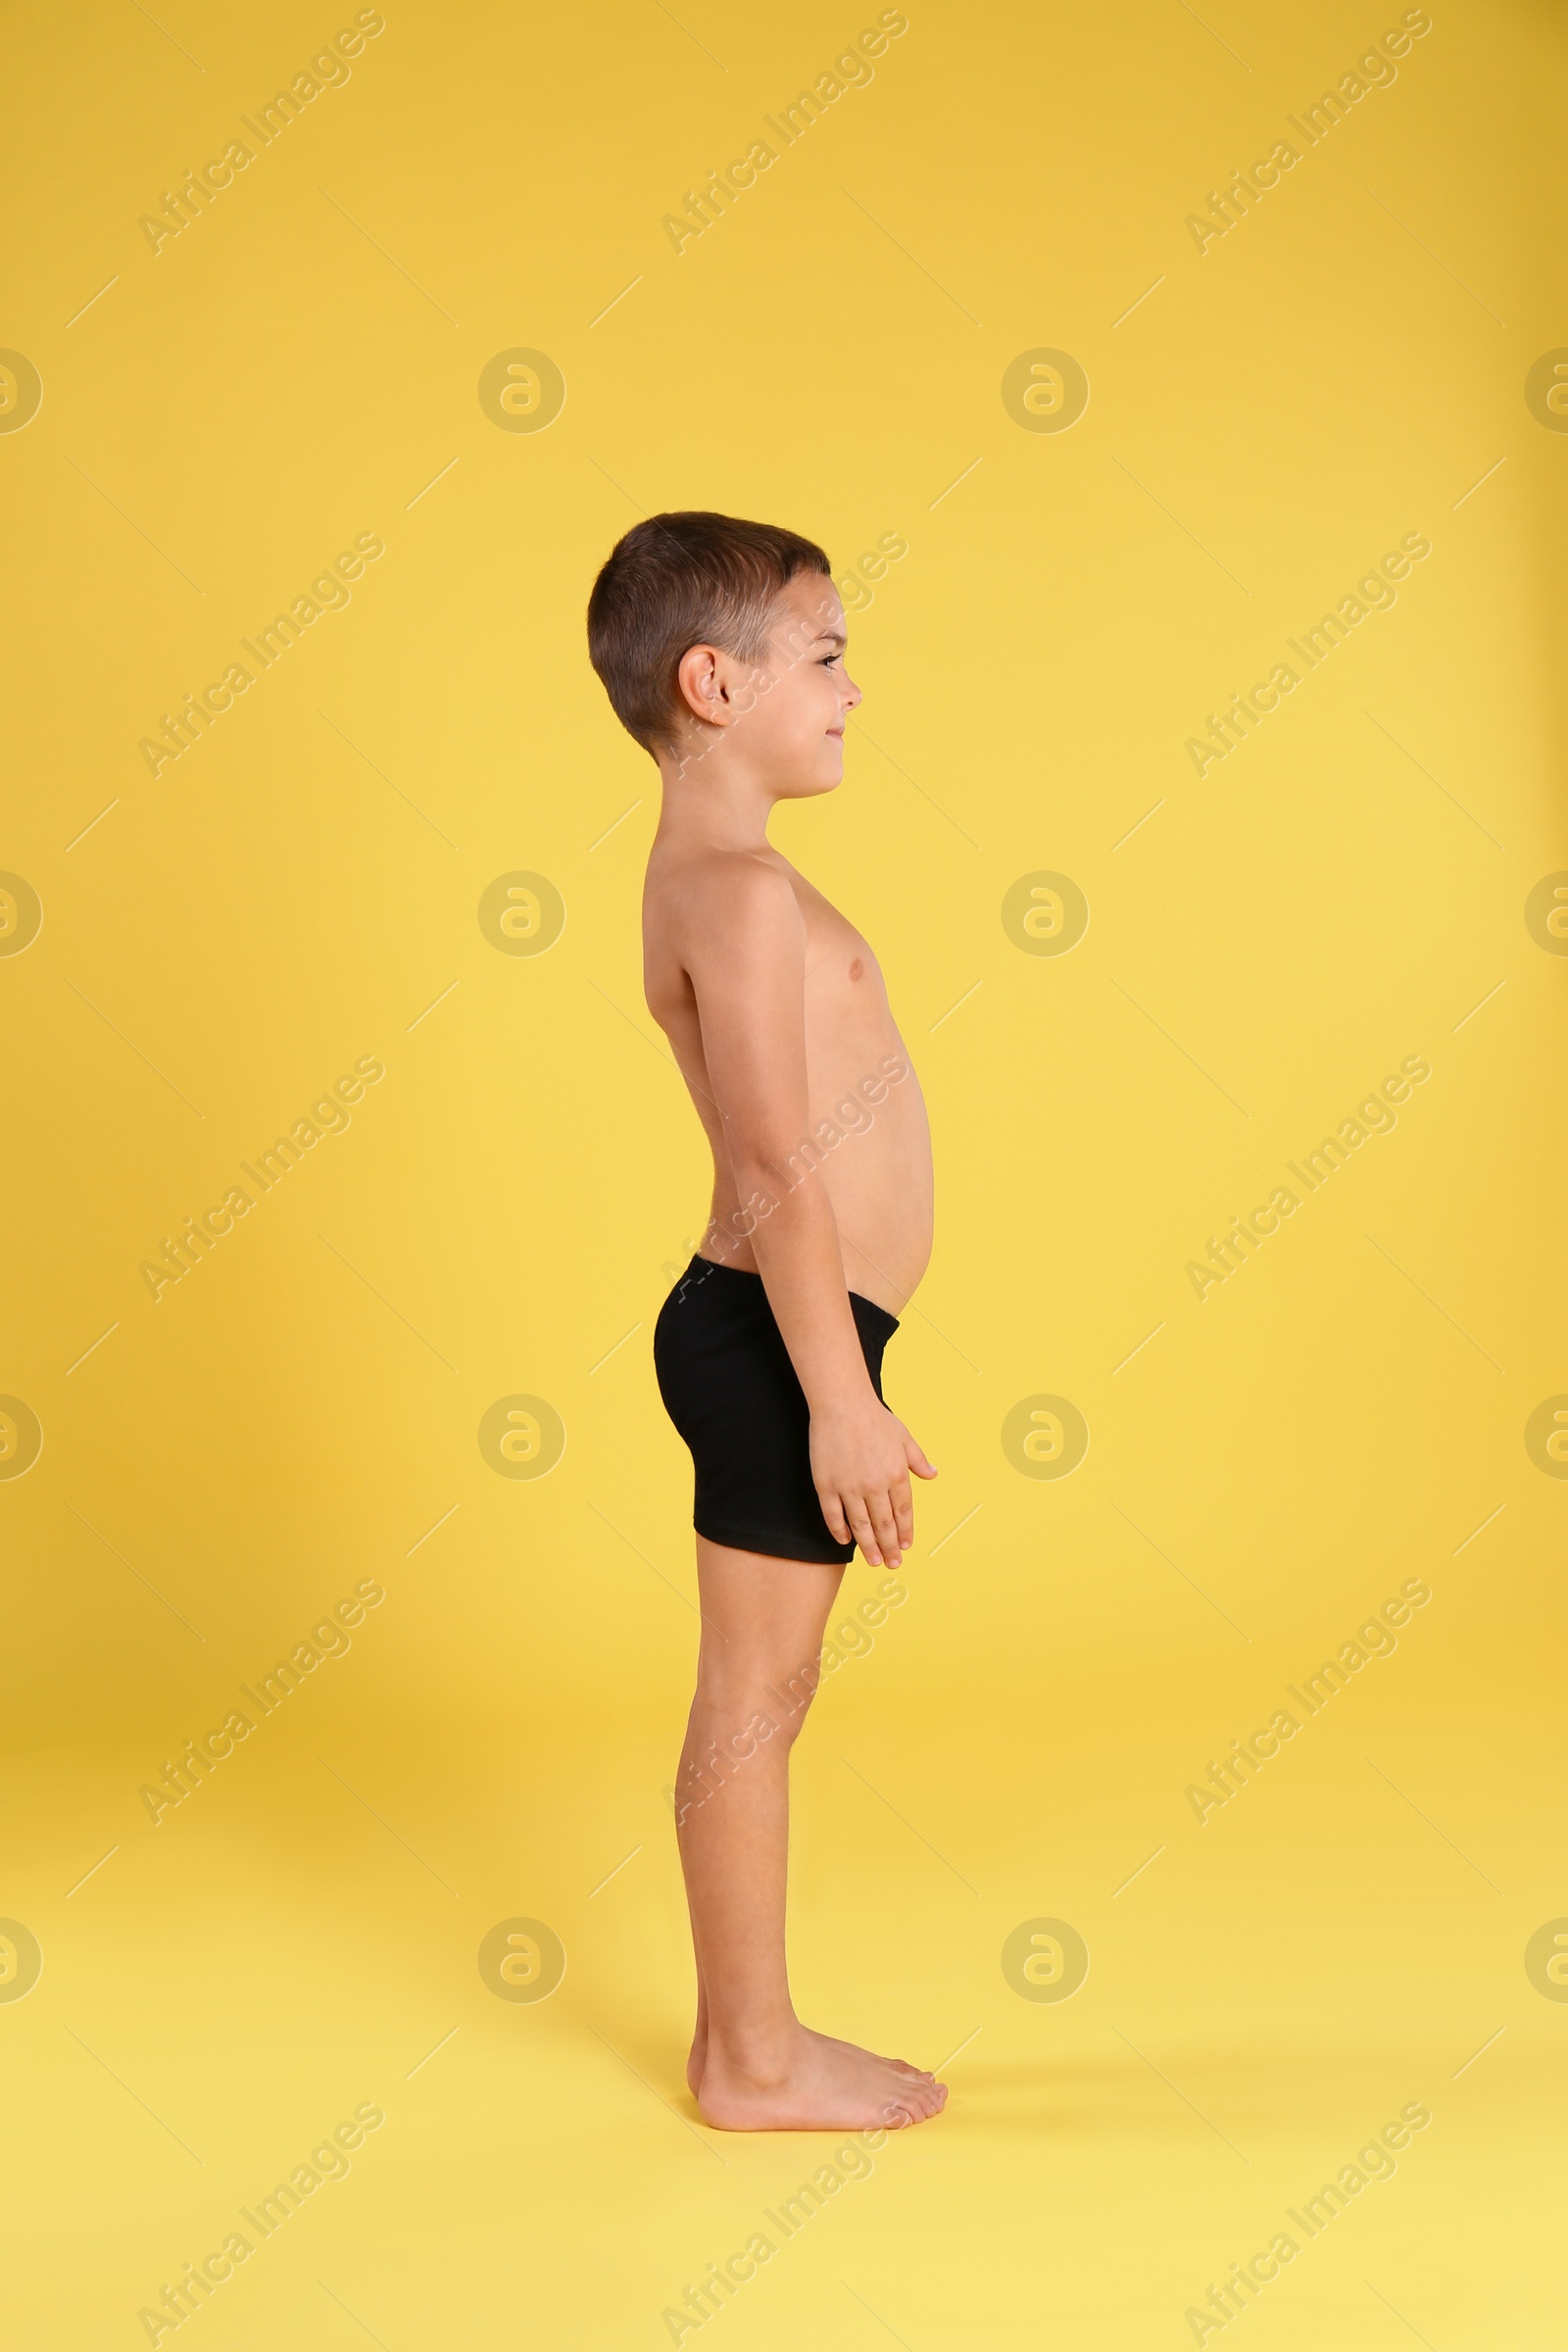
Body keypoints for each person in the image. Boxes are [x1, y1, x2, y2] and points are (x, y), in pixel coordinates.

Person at [587, 512, 946, 2131]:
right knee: (752, 1701)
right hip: (773, 1339)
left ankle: (750, 2041)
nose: (855, 689)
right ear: (714, 682)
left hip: (789, 1336)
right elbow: (777, 1163)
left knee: (767, 1697)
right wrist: (840, 1401)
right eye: (827, 655)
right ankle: (751, 2057)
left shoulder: (730, 878)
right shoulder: (729, 892)